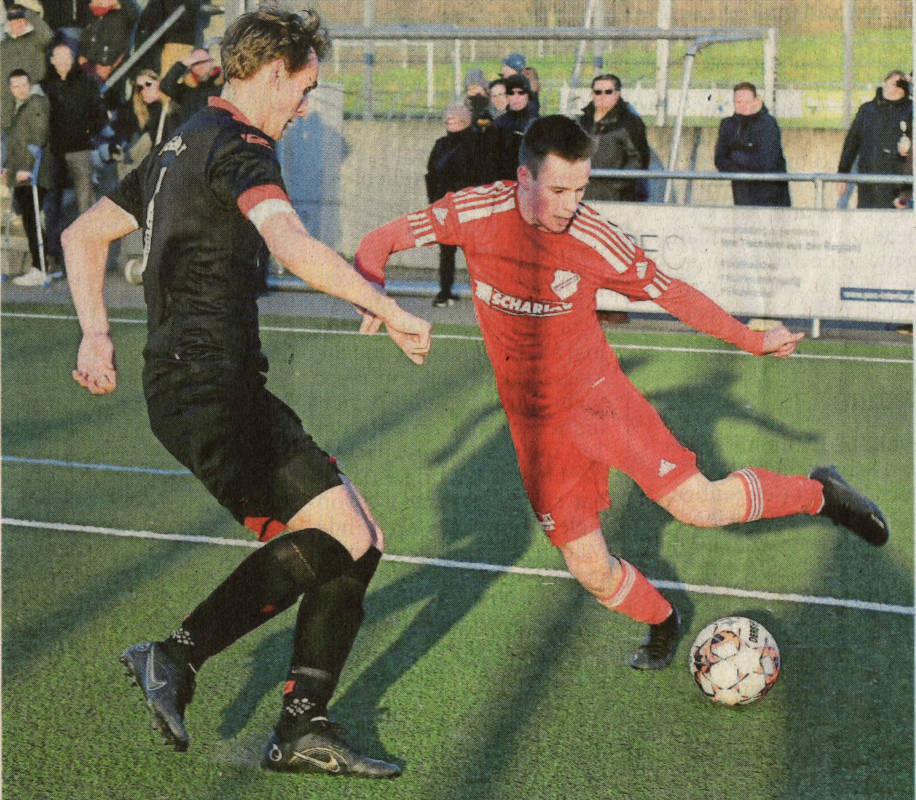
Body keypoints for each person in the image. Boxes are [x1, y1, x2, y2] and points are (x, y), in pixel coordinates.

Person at [355, 115, 890, 674]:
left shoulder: (594, 239)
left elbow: (673, 293)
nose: (570, 204)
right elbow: (383, 238)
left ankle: (820, 494)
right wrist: (371, 285)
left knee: (699, 506)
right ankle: (663, 620)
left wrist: (754, 340)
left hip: (599, 403)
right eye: (558, 190)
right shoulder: (476, 212)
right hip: (534, 428)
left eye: (581, 189)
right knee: (589, 567)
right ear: (522, 178)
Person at [63, 8, 431, 778]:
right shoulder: (238, 145)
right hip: (208, 387)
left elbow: (81, 235)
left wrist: (97, 334)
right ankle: (174, 656)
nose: (305, 107)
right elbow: (292, 245)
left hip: (211, 383)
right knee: (334, 541)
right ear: (271, 75)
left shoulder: (180, 140)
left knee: (361, 540)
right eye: (305, 89)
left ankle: (302, 728)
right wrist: (385, 304)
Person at [43, 39, 108, 266]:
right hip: (54, 153)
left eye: (67, 58)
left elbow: (100, 114)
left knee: (85, 203)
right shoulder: (45, 87)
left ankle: (87, 255)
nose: (63, 62)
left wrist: (89, 131)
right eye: (58, 58)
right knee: (52, 205)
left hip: (81, 150)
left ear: (73, 60)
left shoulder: (86, 83)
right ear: (52, 61)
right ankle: (53, 255)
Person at [425, 102, 479, 307]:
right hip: (444, 207)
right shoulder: (441, 144)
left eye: (455, 119)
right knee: (447, 251)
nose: (451, 122)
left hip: (466, 206)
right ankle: (445, 290)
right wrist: (435, 204)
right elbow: (431, 174)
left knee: (475, 252)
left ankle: (482, 292)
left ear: (465, 121)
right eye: (449, 119)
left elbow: (476, 176)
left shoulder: (474, 144)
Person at [837, 70, 913, 209]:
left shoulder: (910, 111)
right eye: (893, 83)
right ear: (884, 83)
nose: (895, 89)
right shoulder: (867, 110)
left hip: (897, 184)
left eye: (900, 85)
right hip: (868, 181)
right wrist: (843, 173)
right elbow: (851, 143)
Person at [4, 68, 52, 286]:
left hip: (34, 173)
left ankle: (40, 268)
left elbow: (37, 137)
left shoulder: (36, 103)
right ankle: (40, 264)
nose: (20, 89)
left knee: (32, 219)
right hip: (21, 173)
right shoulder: (20, 108)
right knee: (29, 219)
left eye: (23, 84)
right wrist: (7, 167)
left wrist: (26, 168)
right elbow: (16, 144)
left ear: (30, 84)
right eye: (15, 86)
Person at [713, 81, 790, 207]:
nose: (742, 106)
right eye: (738, 102)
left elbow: (766, 162)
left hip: (772, 198)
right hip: (742, 196)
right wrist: (743, 166)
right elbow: (720, 160)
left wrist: (736, 156)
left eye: (747, 102)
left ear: (755, 101)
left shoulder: (768, 124)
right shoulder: (728, 125)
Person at [577, 73, 650, 202]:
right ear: (592, 94)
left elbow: (639, 159)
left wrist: (616, 186)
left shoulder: (630, 123)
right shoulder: (582, 122)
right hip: (584, 194)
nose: (602, 96)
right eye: (598, 92)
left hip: (616, 197)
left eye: (608, 92)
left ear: (617, 93)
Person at [1, 5, 53, 132]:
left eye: (21, 19)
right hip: (7, 92)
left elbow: (48, 34)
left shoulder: (36, 39)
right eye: (14, 20)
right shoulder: (4, 44)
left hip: (31, 90)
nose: (18, 23)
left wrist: (28, 13)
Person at [78, 0, 139, 83]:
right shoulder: (94, 8)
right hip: (88, 63)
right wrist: (82, 55)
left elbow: (133, 14)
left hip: (111, 68)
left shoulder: (127, 8)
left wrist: (110, 67)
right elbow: (86, 31)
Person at [492, 72, 538, 180]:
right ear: (507, 97)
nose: (516, 98)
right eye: (511, 93)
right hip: (503, 182)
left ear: (527, 95)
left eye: (520, 93)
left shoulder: (537, 124)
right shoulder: (499, 124)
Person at [159, 46, 222, 124]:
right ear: (190, 66)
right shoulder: (186, 90)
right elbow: (165, 85)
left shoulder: (222, 83)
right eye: (195, 63)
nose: (201, 66)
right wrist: (183, 64)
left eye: (204, 61)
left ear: (212, 63)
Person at [129, 68, 182, 146]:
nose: (145, 90)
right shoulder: (151, 116)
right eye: (140, 87)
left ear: (159, 81)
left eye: (148, 84)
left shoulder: (177, 99)